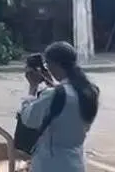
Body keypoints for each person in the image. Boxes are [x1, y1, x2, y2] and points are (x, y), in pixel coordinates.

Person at [19, 41, 100, 172]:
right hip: (76, 162)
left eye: (48, 64)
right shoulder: (89, 91)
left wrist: (32, 88)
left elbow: (29, 119)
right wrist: (50, 82)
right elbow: (63, 101)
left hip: (51, 163)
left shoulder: (54, 94)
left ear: (55, 65)